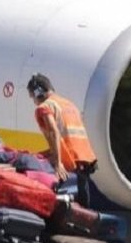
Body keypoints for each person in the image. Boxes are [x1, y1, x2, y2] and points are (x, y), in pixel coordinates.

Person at [27, 73, 97, 208]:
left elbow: (54, 132)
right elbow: (68, 136)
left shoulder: (45, 107)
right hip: (85, 157)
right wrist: (48, 152)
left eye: (32, 97)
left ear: (37, 92)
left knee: (60, 201)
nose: (33, 101)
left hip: (68, 160)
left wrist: (58, 163)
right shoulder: (68, 104)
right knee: (83, 203)